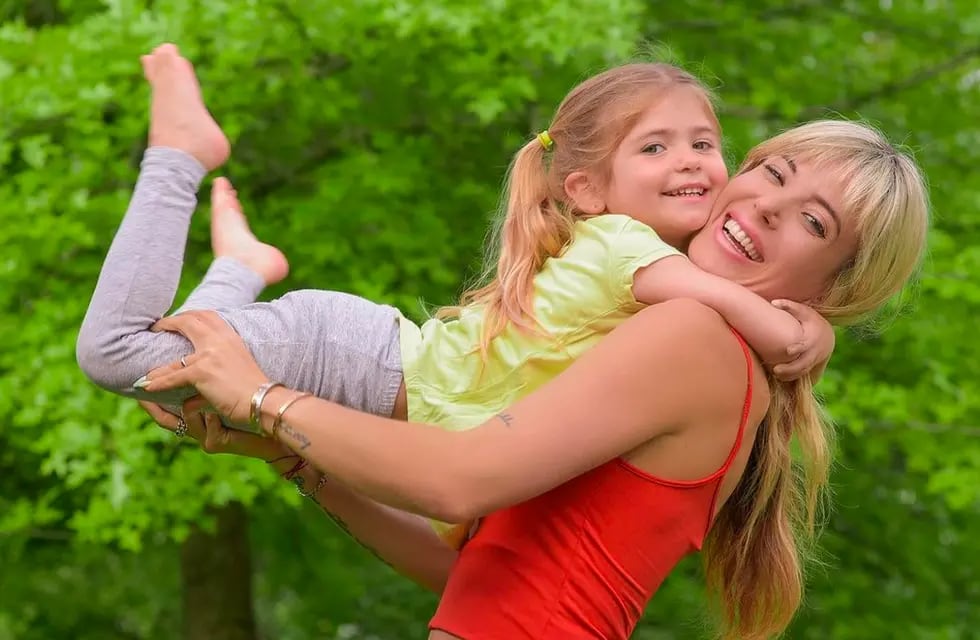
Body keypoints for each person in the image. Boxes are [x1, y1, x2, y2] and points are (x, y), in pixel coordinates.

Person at [138, 121, 929, 640]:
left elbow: (458, 480)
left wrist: (263, 397)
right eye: (772, 173)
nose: (765, 208)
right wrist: (298, 459)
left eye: (814, 223)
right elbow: (475, 569)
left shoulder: (697, 337)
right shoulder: (718, 360)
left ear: (833, 289)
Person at [76, 45, 834, 546]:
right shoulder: (627, 248)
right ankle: (179, 155)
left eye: (704, 142)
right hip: (364, 363)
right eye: (655, 147)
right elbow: (717, 300)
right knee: (117, 354)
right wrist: (797, 333)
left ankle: (240, 266)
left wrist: (292, 455)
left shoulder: (639, 281)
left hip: (367, 377)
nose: (691, 161)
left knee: (173, 387)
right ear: (588, 191)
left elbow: (457, 535)